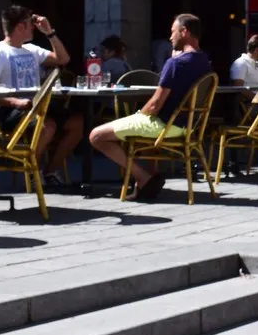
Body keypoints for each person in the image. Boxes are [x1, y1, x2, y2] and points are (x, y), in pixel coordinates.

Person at [89, 14, 212, 201]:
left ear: (184, 32)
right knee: (136, 128)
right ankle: (149, 176)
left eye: (173, 32)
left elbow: (155, 105)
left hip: (164, 125)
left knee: (96, 136)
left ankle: (143, 177)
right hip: (186, 126)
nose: (170, 37)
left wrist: (139, 114)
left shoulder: (176, 63)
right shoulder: (204, 61)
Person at [0, 5, 81, 186]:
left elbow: (63, 59)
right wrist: (15, 102)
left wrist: (49, 32)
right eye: (31, 24)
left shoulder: (32, 49)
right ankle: (32, 171)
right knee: (47, 126)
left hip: (37, 106)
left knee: (77, 123)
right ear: (20, 27)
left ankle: (49, 171)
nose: (34, 28)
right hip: (10, 110)